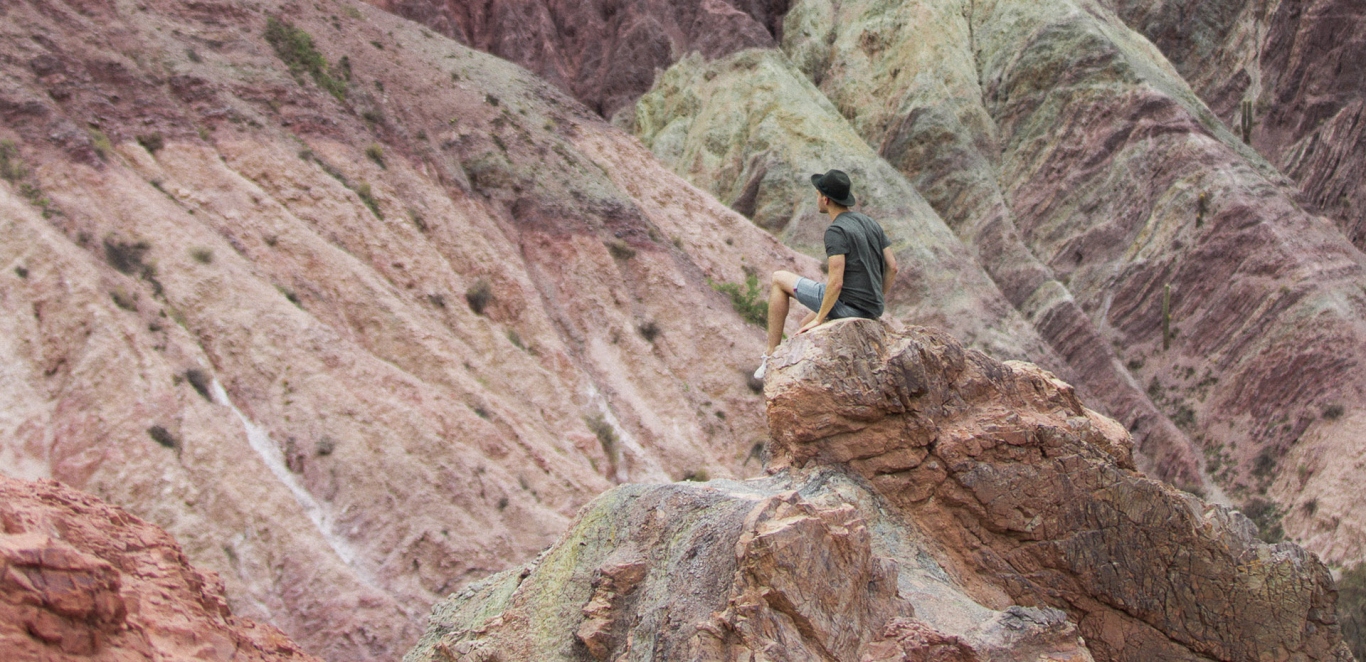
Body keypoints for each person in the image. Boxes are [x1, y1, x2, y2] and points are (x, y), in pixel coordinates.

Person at [754, 169, 897, 380]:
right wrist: (874, 299)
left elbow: (836, 282)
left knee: (779, 279)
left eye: (817, 194)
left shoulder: (836, 231)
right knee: (804, 324)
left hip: (848, 306)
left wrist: (820, 319)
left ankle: (770, 356)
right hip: (872, 309)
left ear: (826, 199)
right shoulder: (870, 223)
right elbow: (892, 267)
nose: (817, 199)